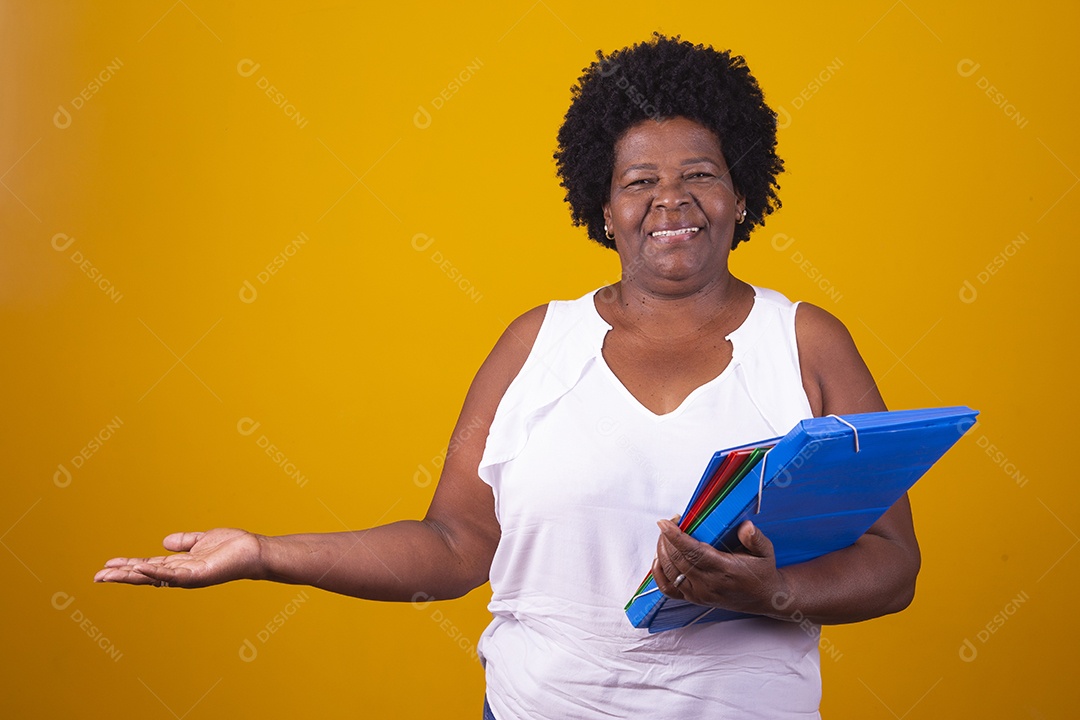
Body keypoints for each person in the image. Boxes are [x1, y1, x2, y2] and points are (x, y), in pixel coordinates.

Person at [96, 33, 920, 719]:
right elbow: (455, 545)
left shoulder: (805, 343)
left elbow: (892, 562)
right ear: (603, 211)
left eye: (700, 174)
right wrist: (264, 554)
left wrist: (768, 592)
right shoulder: (536, 345)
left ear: (741, 194)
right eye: (639, 181)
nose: (671, 200)